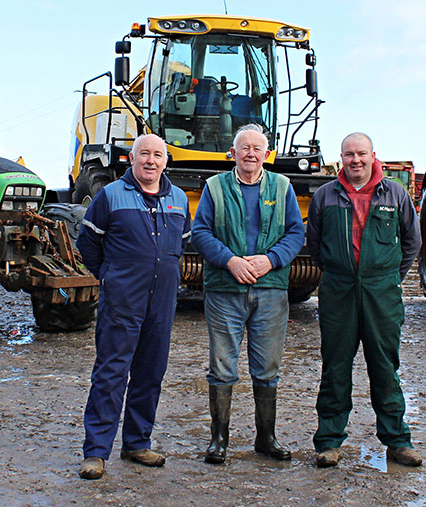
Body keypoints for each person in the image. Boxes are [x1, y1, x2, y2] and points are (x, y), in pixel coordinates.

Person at [75, 133, 190, 479]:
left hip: (162, 301)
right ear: (132, 159)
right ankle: (96, 452)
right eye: (144, 155)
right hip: (122, 301)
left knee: (150, 372)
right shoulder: (110, 196)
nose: (151, 161)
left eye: (157, 155)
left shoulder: (180, 199)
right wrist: (111, 276)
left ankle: (137, 442)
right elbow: (88, 243)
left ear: (165, 161)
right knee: (111, 373)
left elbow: (182, 245)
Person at [306, 132, 423, 468]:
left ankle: (398, 441)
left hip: (381, 293)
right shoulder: (325, 196)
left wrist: (386, 279)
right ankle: (329, 442)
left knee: (385, 368)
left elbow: (411, 243)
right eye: (348, 155)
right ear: (340, 158)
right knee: (335, 368)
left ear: (373, 155)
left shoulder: (396, 193)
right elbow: (315, 244)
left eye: (361, 154)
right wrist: (339, 272)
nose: (355, 160)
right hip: (338, 292)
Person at [191, 124, 304, 464]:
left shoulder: (282, 187)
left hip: (270, 290)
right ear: (233, 153)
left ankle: (266, 439)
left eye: (257, 148)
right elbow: (200, 232)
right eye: (244, 148)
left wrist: (271, 260)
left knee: (267, 368)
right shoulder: (215, 187)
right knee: (223, 366)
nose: (251, 153)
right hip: (225, 290)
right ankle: (219, 441)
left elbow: (296, 233)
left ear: (267, 154)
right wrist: (230, 262)